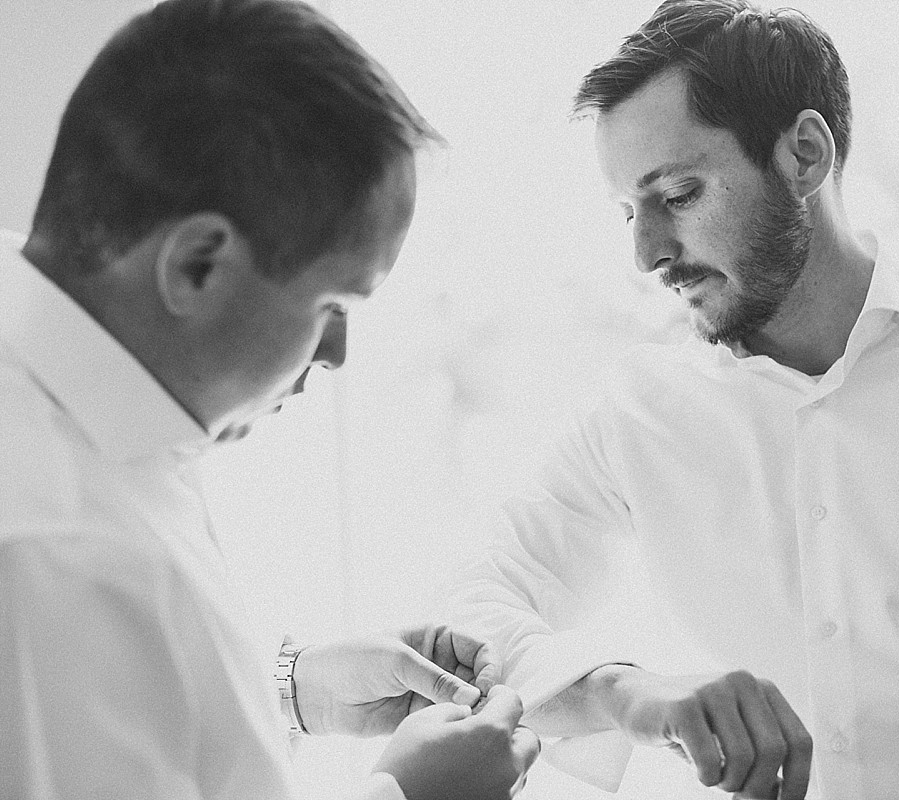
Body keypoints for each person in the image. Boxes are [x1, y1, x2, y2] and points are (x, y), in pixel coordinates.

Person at [441, 1, 899, 798]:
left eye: (680, 193)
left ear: (804, 154)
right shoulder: (635, 414)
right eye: (631, 212)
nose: (646, 254)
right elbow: (470, 615)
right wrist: (622, 693)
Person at [0, 1, 538, 798]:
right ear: (197, 266)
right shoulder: (60, 563)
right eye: (334, 307)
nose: (338, 355)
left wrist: (288, 689)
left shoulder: (77, 399)